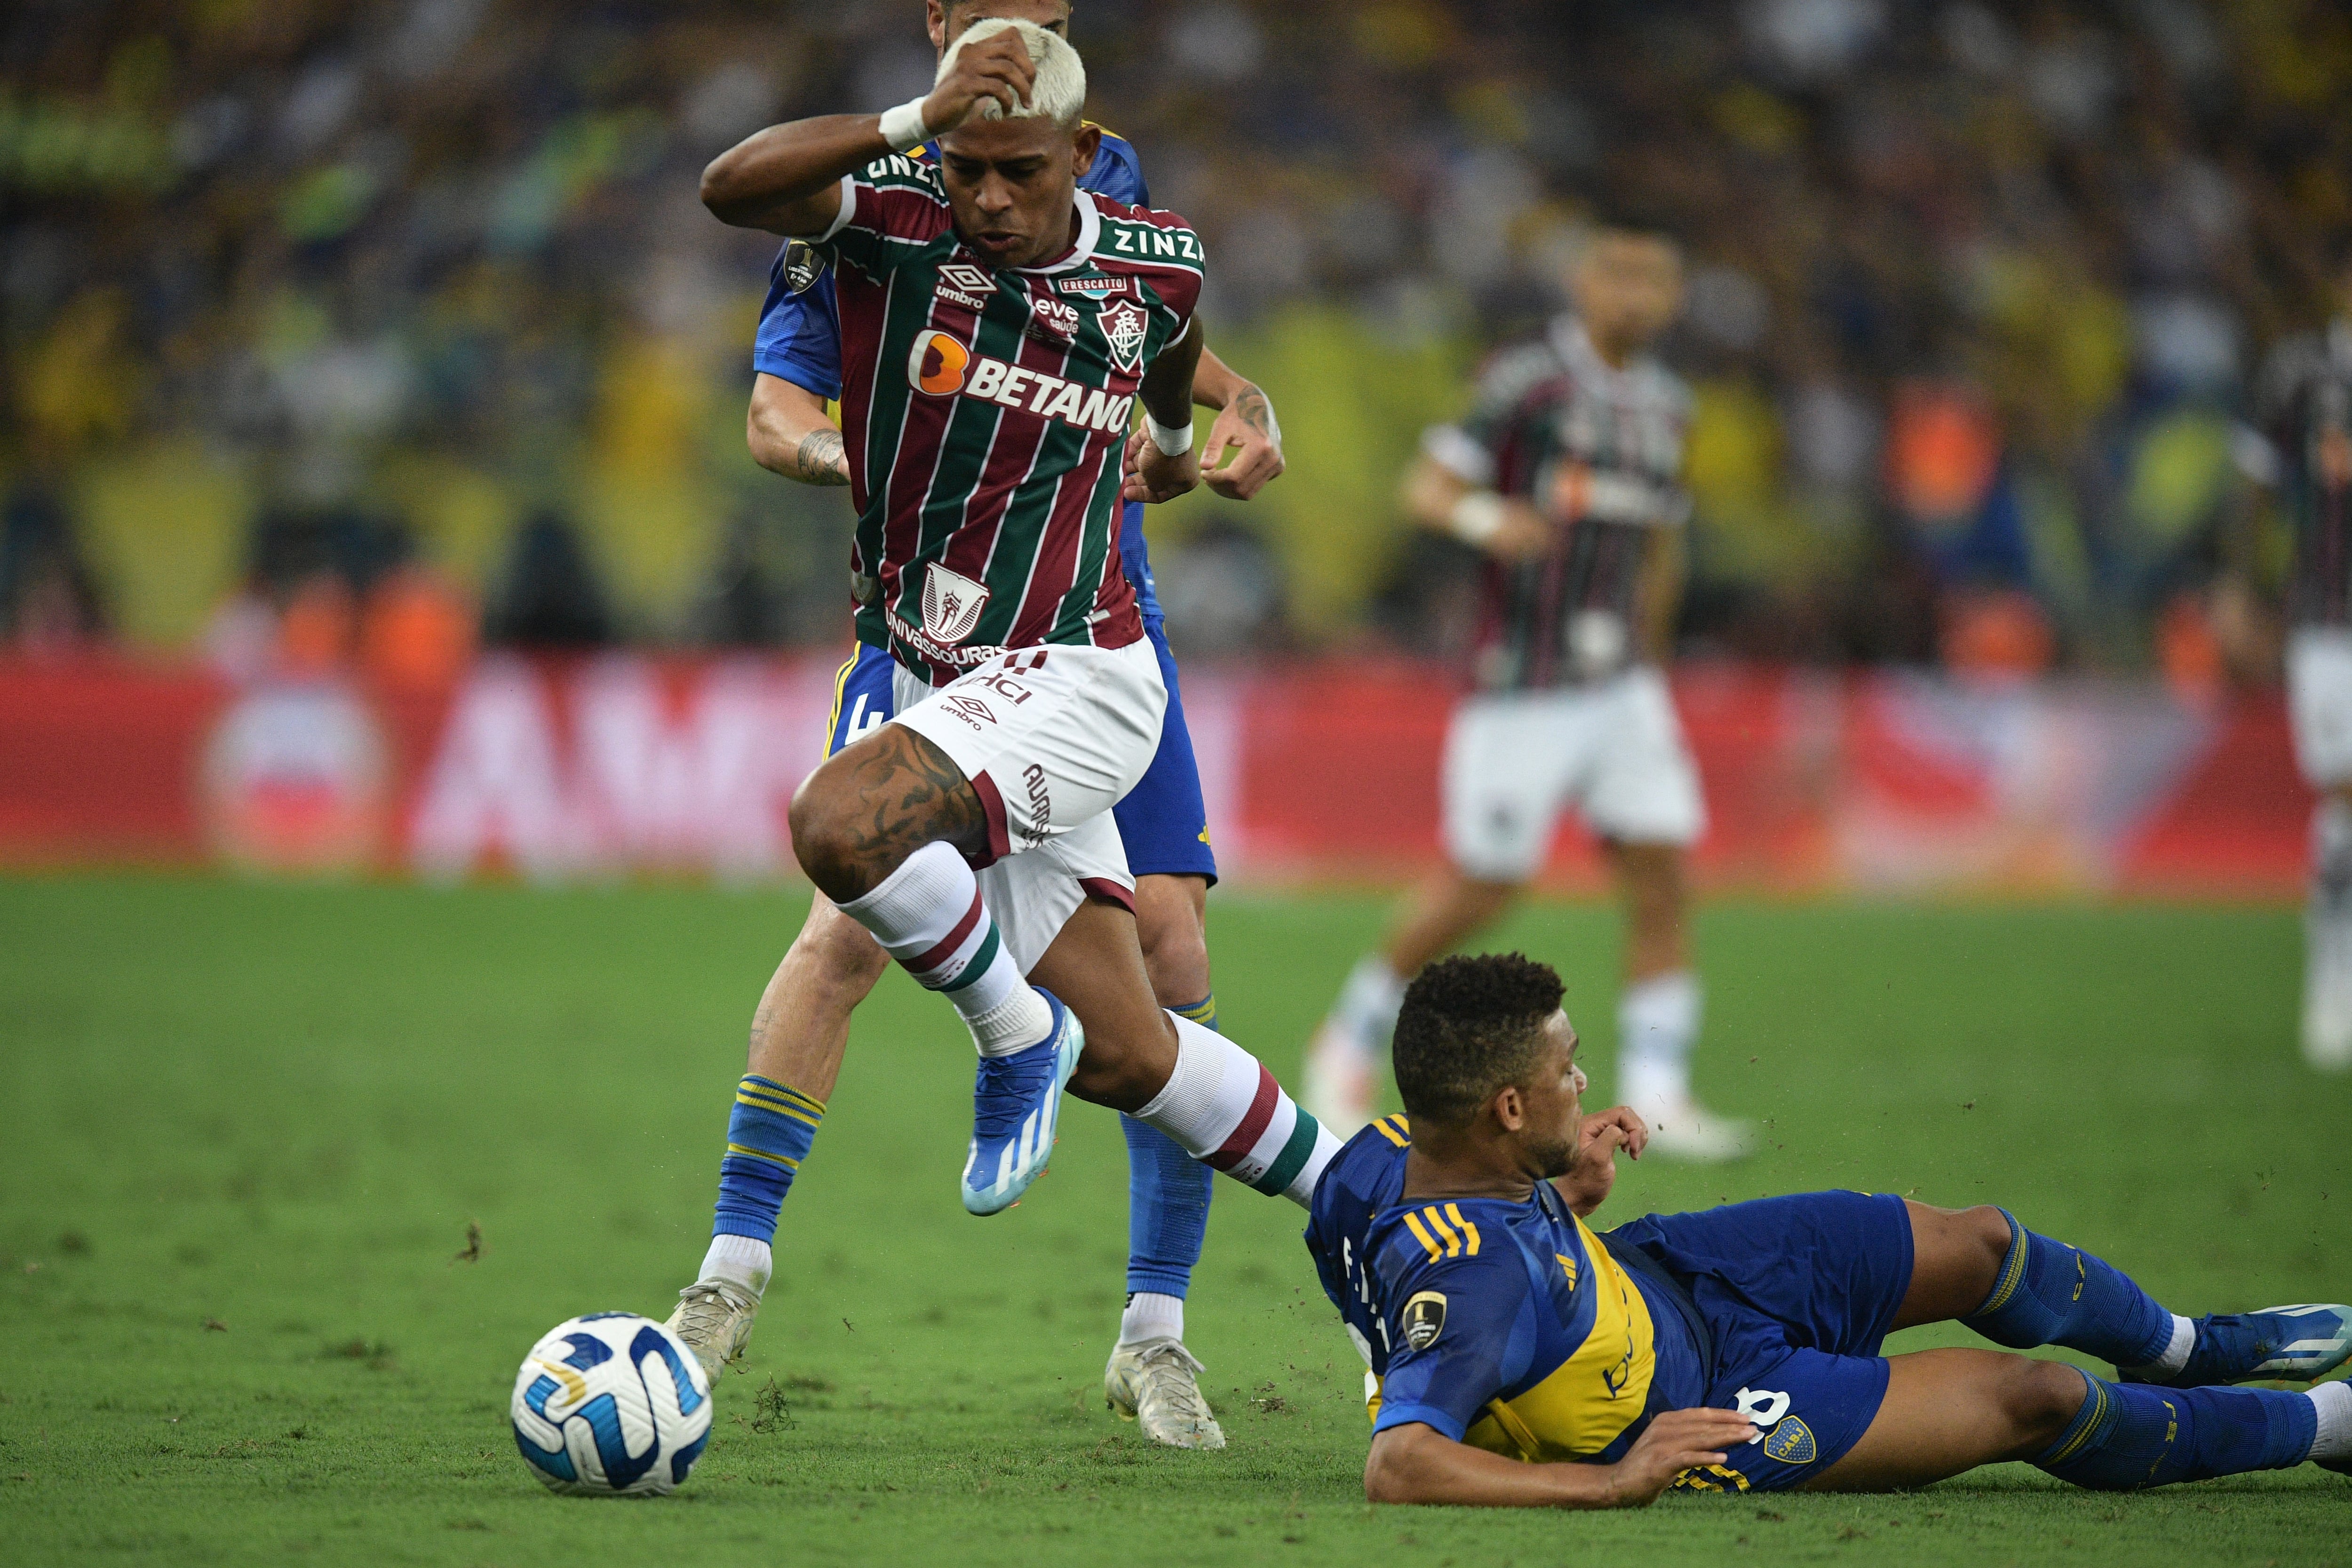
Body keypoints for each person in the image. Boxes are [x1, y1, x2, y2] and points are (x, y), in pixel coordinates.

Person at [691, 11, 1344, 1388]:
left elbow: (1170, 351)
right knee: (1079, 1023)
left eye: (1025, 168)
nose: (994, 191)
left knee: (1151, 949)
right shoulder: (887, 202)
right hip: (929, 638)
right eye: (974, 159)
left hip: (1092, 638)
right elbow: (759, 329)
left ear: (1076, 137)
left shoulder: (1133, 225)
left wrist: (1209, 431)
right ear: (934, 34)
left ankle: (1155, 1330)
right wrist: (846, 450)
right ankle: (1377, 1202)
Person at [1304, 953, 2352, 1506]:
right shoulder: (1474, 1285)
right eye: (1565, 1070)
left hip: (1673, 1273)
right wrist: (1609, 1479)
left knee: (1980, 1241)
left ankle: (2198, 1345)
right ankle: (2324, 1428)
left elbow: (1396, 1261)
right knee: (2041, 1396)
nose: (1584, 1082)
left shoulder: (1393, 1149)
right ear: (1506, 1109)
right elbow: (1399, 1462)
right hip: (1713, 1404)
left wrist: (1561, 1191)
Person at [1301, 220, 1747, 1160]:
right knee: (1484, 882)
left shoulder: (1669, 404)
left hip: (1624, 683)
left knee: (1662, 871)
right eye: (1620, 273)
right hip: (1523, 681)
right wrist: (1484, 515)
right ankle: (1344, 1042)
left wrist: (1654, 660)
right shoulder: (1526, 381)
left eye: (1657, 277)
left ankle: (1661, 1093)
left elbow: (1659, 543)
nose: (1638, 294)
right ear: (1584, 283)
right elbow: (1426, 487)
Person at [2233, 242, 2352, 1072]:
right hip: (2329, 618)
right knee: (2343, 798)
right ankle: (2333, 985)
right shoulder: (2302, 375)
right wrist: (2242, 586)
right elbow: (2255, 482)